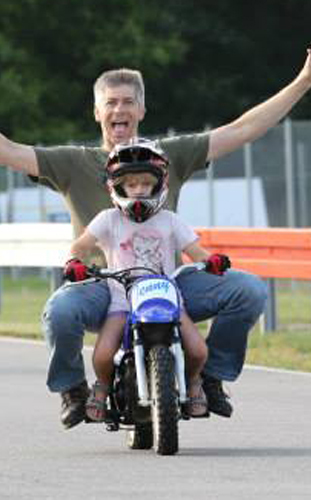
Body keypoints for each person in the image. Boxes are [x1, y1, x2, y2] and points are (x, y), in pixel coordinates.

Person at [0, 33, 311, 428]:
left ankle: (209, 378)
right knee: (59, 311)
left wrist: (303, 81)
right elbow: (4, 151)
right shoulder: (73, 163)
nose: (120, 110)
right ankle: (74, 390)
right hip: (103, 285)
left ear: (142, 110)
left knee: (248, 290)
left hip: (167, 282)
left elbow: (242, 129)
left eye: (128, 102)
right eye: (111, 102)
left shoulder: (168, 156)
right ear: (97, 111)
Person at [64, 140, 232, 420]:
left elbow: (196, 251)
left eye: (145, 183)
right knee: (103, 354)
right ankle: (102, 387)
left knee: (199, 350)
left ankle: (193, 385)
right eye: (131, 185)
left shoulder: (170, 220)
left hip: (168, 297)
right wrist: (74, 262)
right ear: (118, 187)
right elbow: (80, 245)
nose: (139, 190)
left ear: (159, 184)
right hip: (123, 300)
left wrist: (211, 261)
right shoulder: (109, 219)